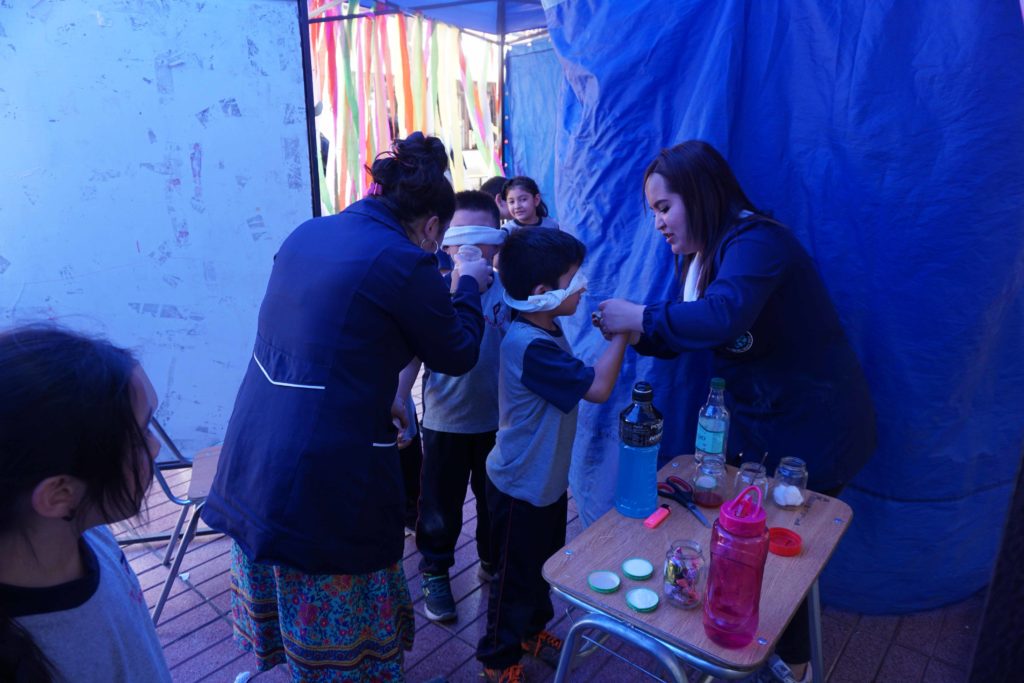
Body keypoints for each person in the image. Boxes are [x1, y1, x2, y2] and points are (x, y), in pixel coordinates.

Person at [201, 132, 492, 682]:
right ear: (433, 226)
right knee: (338, 629)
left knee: (290, 596)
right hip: (322, 477)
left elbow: (329, 339)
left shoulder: (309, 231)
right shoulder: (406, 261)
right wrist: (468, 287)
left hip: (255, 453)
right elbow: (456, 353)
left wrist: (386, 391)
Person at [597, 140, 876, 683]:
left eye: (664, 207)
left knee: (783, 554)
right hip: (767, 424)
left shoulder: (758, 242)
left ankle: (793, 667)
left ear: (700, 194)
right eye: (652, 211)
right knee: (753, 543)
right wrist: (636, 330)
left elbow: (721, 316)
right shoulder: (705, 258)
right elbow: (689, 328)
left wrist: (641, 316)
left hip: (816, 428)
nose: (657, 223)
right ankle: (748, 649)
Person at [477, 228, 630, 683]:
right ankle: (497, 659)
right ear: (543, 292)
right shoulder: (531, 346)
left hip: (542, 481)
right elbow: (598, 388)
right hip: (519, 487)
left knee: (542, 565)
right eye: (574, 279)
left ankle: (531, 632)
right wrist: (622, 335)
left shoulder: (544, 325)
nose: (582, 286)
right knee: (512, 579)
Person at [0, 325, 171, 683]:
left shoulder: (87, 532)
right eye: (141, 435)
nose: (155, 447)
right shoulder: (42, 656)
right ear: (59, 494)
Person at [411, 190, 509, 623]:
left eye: (480, 236)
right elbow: (414, 353)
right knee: (439, 505)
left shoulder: (510, 292)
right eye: (459, 236)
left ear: (497, 242)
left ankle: (492, 559)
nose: (468, 247)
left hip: (496, 421)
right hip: (444, 421)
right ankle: (435, 570)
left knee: (494, 501)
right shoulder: (434, 291)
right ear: (445, 242)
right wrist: (399, 398)